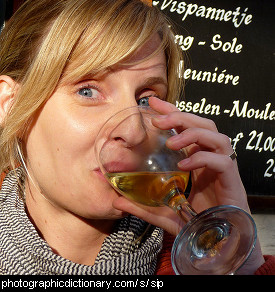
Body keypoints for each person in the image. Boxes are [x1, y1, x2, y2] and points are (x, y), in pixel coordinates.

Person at [0, 0, 274, 275]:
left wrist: (235, 262)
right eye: (87, 91)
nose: (134, 132)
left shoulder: (191, 259)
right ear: (9, 104)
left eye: (146, 99)